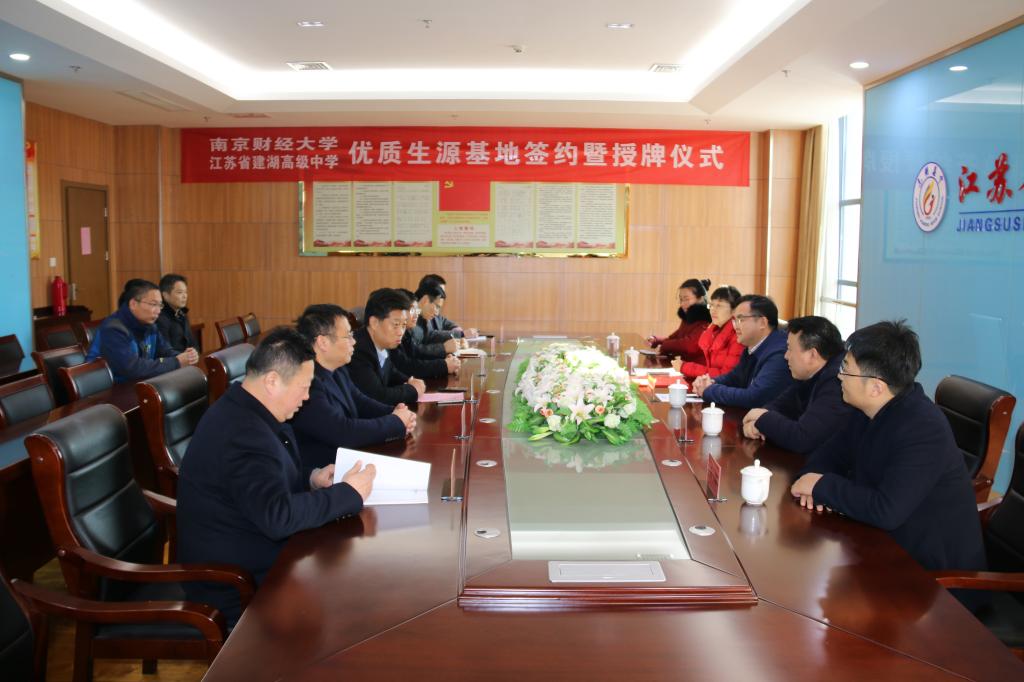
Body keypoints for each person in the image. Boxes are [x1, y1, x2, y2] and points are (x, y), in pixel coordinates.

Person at [177, 327, 376, 626]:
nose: (307, 397)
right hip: (236, 582)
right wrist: (348, 493)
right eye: (304, 387)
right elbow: (278, 516)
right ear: (272, 381)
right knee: (350, 603)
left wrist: (311, 478)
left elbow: (267, 480)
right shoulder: (242, 434)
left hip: (262, 553)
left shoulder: (250, 409)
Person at [790, 320, 985, 576]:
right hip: (880, 548)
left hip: (933, 576)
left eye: (846, 369)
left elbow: (886, 510)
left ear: (876, 387)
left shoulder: (923, 429)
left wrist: (821, 486)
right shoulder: (868, 409)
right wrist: (812, 481)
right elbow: (828, 455)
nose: (839, 376)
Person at [291, 304, 416, 469]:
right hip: (325, 472)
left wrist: (395, 412)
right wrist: (395, 422)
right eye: (348, 336)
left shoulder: (337, 369)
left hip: (350, 459)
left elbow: (360, 401)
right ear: (323, 342)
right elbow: (342, 431)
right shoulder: (307, 383)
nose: (354, 341)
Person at [741, 316, 854, 453]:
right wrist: (758, 421)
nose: (786, 356)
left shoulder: (838, 382)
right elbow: (781, 405)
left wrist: (761, 419)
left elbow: (803, 438)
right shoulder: (809, 373)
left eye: (789, 349)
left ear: (812, 355)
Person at [86, 279, 198, 383]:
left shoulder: (150, 326)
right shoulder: (114, 329)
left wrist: (185, 357)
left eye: (160, 305)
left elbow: (165, 351)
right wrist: (176, 362)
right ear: (133, 304)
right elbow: (132, 368)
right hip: (108, 389)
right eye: (153, 304)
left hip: (136, 383)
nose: (158, 311)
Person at [692, 295, 792, 408]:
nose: (735, 326)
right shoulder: (752, 347)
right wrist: (710, 381)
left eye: (741, 319)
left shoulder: (779, 354)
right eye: (734, 320)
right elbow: (735, 378)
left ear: (762, 323)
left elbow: (754, 397)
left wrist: (709, 390)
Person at [348, 288, 427, 405]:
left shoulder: (381, 343)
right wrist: (413, 390)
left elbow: (390, 372)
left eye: (404, 325)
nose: (401, 332)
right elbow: (378, 396)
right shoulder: (358, 351)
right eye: (396, 324)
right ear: (374, 322)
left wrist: (409, 380)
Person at [679, 285, 744, 378]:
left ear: (734, 310)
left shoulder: (739, 336)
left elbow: (727, 376)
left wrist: (685, 367)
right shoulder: (715, 331)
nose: (713, 309)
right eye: (712, 305)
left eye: (719, 305)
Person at [393, 288, 460, 378]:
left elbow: (415, 353)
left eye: (417, 310)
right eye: (412, 310)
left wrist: (444, 360)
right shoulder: (403, 331)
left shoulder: (407, 331)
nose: (416, 314)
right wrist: (443, 364)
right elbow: (407, 365)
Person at [649, 278, 712, 362]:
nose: (682, 304)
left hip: (699, 368)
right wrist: (656, 340)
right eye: (681, 299)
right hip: (686, 366)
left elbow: (689, 346)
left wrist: (665, 345)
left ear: (700, 298)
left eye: (686, 299)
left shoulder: (706, 320)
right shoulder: (689, 317)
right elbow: (675, 338)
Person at [417, 274, 478, 340]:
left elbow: (443, 321)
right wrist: (460, 334)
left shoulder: (432, 308)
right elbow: (430, 335)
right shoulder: (416, 312)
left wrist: (455, 328)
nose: (442, 294)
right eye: (440, 291)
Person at [410, 282, 461, 356]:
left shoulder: (421, 316)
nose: (437, 313)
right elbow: (413, 352)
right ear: (425, 300)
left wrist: (457, 337)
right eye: (437, 307)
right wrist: (443, 348)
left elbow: (429, 337)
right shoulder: (409, 317)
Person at [155, 273, 200, 353]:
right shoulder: (160, 318)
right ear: (165, 295)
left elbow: (192, 342)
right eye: (180, 292)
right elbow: (164, 351)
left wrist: (194, 353)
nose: (185, 296)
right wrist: (185, 357)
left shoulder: (182, 313)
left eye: (185, 292)